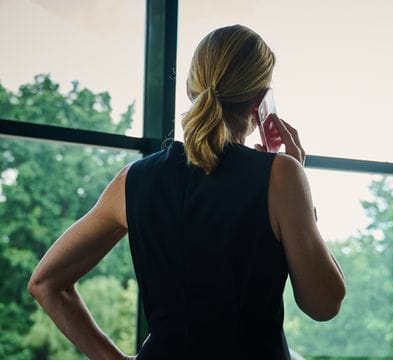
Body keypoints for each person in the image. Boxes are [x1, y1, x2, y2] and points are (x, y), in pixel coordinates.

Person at [27, 24, 346, 359]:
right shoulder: (280, 176)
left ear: (190, 90)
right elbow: (324, 305)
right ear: (261, 100)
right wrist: (299, 192)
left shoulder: (132, 180)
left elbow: (45, 283)